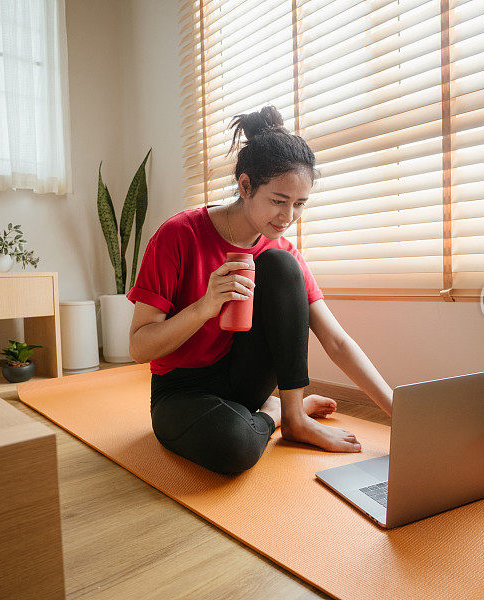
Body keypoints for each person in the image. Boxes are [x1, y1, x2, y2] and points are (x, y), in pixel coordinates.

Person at [127, 105, 393, 476]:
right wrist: (205, 307)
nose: (287, 218)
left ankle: (295, 417)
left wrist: (399, 410)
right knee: (234, 448)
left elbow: (336, 341)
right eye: (278, 201)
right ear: (246, 186)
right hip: (181, 390)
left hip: (242, 380)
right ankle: (275, 413)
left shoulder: (280, 250)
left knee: (283, 267)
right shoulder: (178, 234)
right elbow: (139, 347)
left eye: (299, 204)